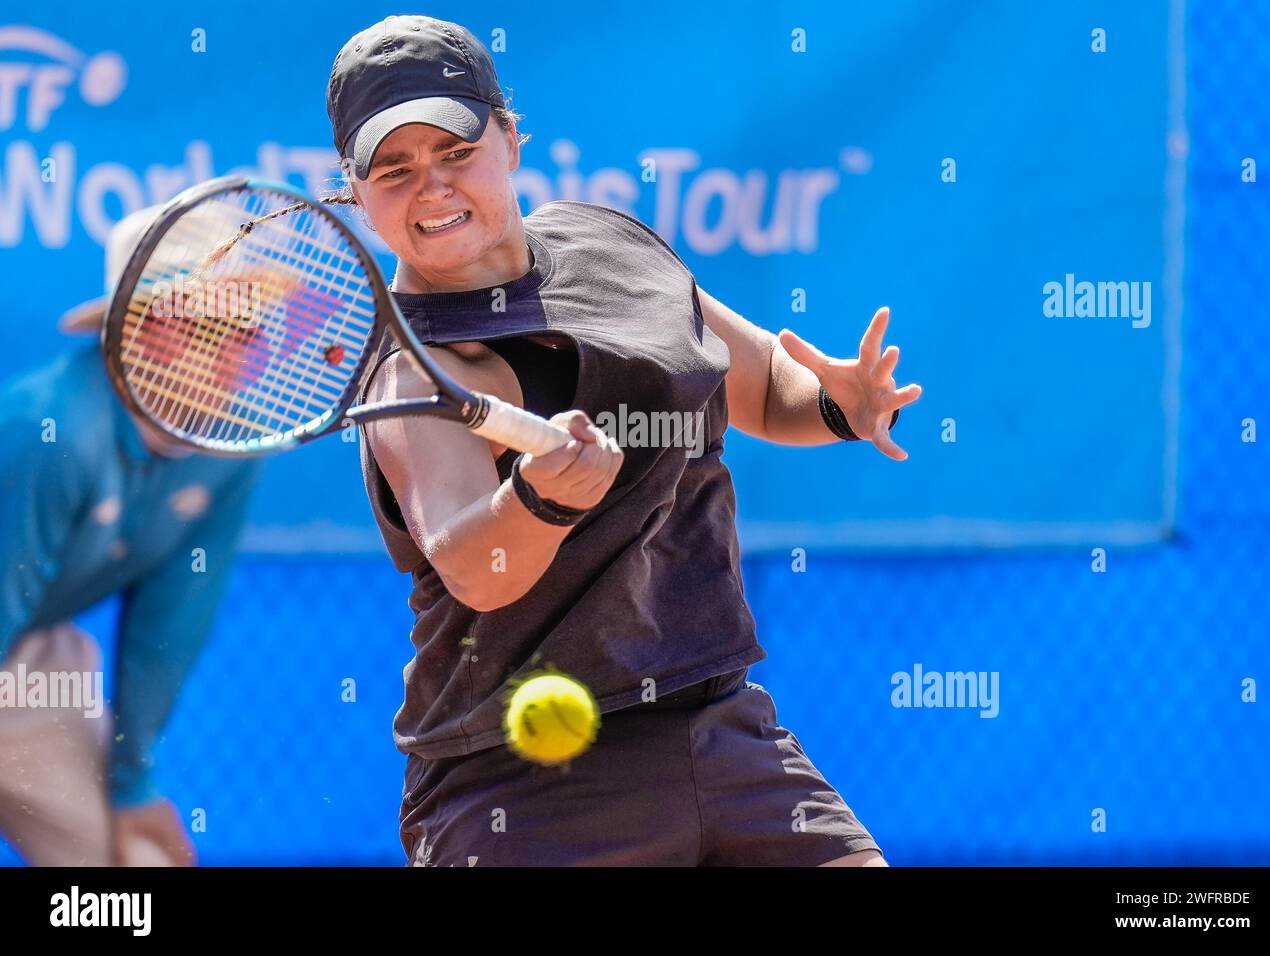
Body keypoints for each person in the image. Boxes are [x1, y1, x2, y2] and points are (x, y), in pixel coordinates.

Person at [328, 15, 922, 866]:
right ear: (355, 190)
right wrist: (539, 500)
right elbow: (473, 564)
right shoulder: (416, 374)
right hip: (516, 787)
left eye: (456, 151)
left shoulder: (613, 246)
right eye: (395, 169)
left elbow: (760, 387)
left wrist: (840, 406)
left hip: (726, 733)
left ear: (509, 139)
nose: (432, 188)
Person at [0, 206, 262, 866]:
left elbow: (168, 628)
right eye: (212, 325)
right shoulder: (43, 428)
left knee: (136, 868)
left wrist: (132, 783)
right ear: (140, 332)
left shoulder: (230, 447)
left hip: (26, 659)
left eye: (248, 326)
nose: (239, 350)